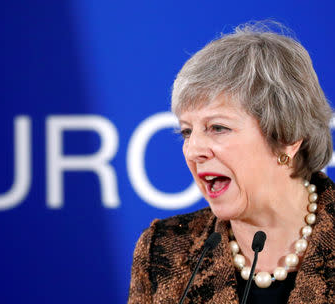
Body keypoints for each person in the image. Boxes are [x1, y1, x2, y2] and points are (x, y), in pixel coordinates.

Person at [128, 21, 334, 304]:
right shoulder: (164, 251)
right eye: (187, 131)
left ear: (287, 137)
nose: (193, 150)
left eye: (217, 127)